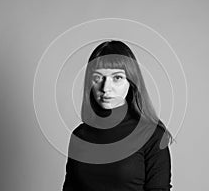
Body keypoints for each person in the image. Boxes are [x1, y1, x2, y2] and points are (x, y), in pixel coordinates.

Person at [63, 40, 173, 191]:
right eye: (98, 77)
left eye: (117, 78)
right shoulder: (79, 135)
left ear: (131, 82)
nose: (106, 88)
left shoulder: (153, 136)